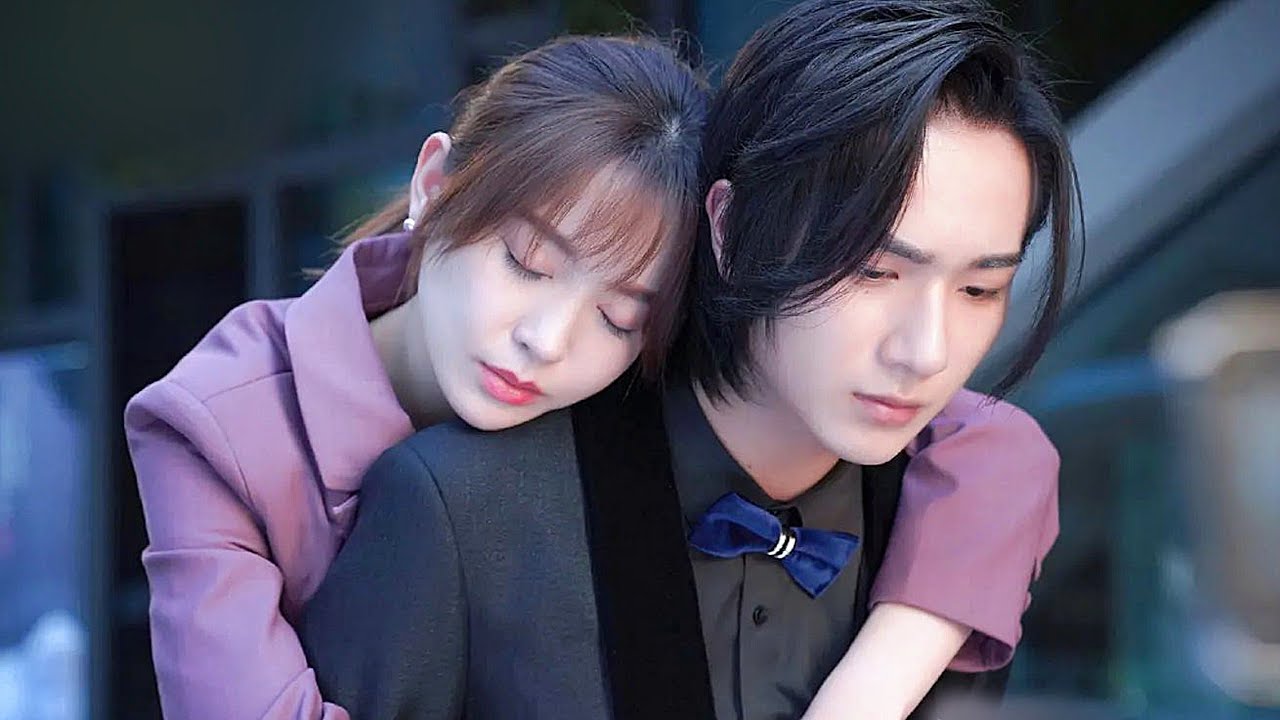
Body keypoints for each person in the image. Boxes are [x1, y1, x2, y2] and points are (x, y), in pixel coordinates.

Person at [296, 1, 1076, 719]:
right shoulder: (461, 508)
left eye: (980, 289)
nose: (927, 351)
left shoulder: (955, 524)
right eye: (873, 272)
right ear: (729, 227)